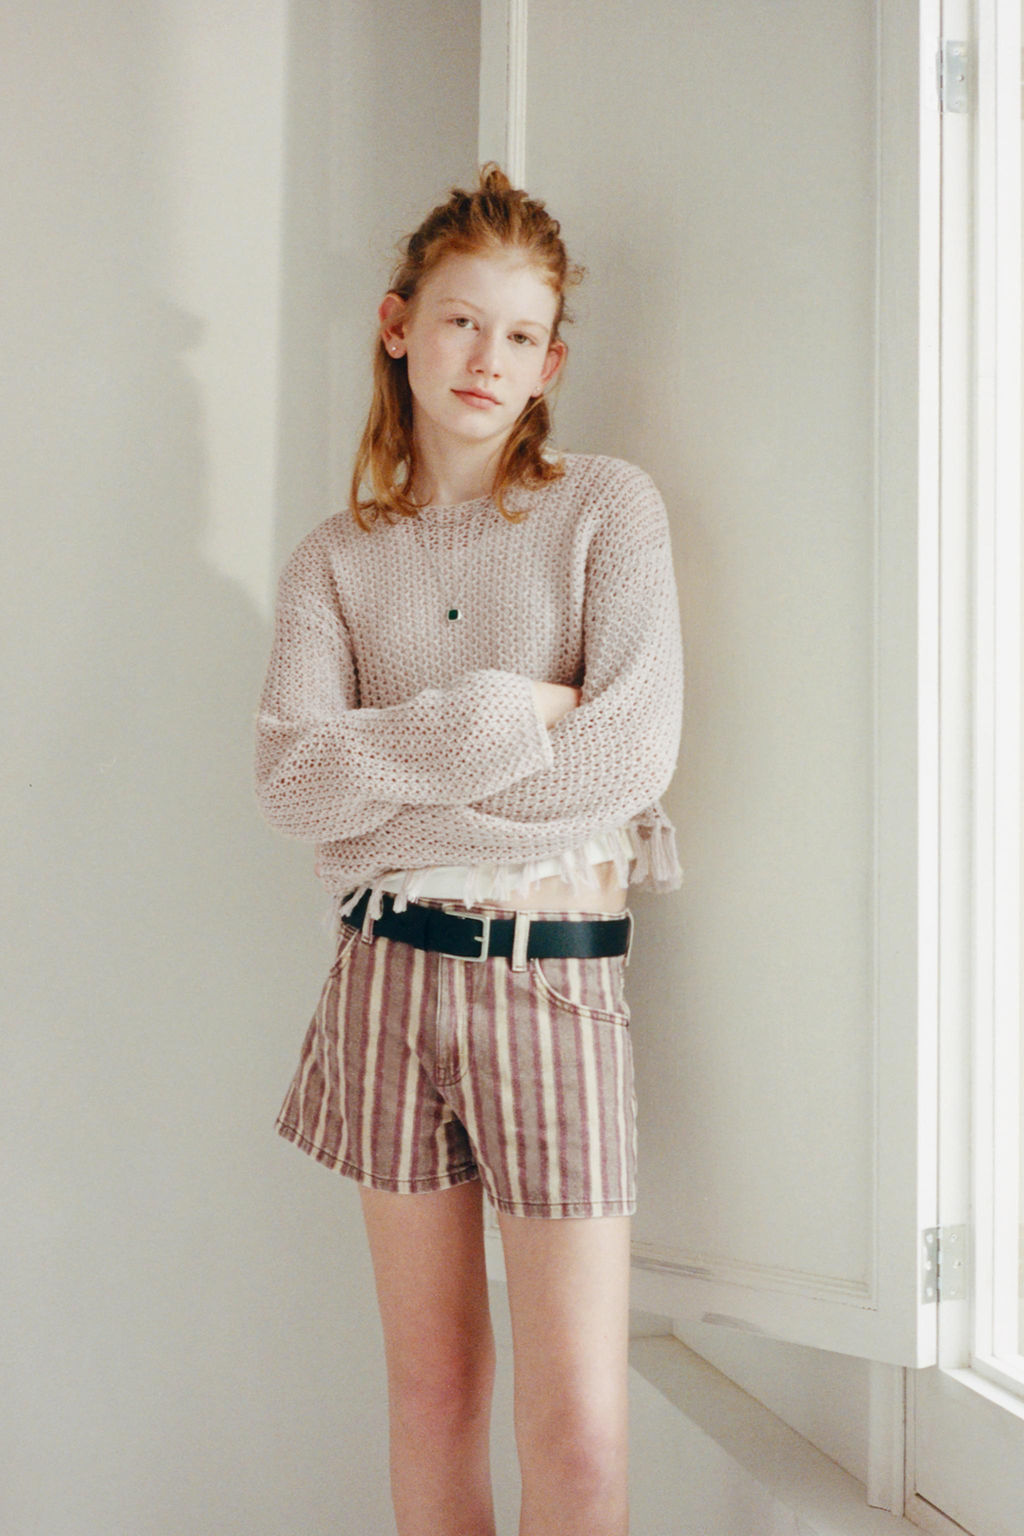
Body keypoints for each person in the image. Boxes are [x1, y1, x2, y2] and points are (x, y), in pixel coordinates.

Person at [254, 164, 683, 1536]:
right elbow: (292, 785)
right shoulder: (332, 561)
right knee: (434, 1394)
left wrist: (383, 803)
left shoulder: (606, 508)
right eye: (458, 321)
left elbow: (628, 761)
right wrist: (511, 716)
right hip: (383, 983)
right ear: (398, 327)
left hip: (553, 982)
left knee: (580, 1438)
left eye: (519, 333)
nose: (486, 357)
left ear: (551, 361)